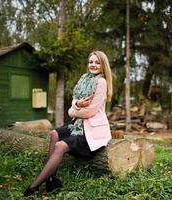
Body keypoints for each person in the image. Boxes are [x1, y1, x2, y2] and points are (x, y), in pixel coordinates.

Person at [23, 51, 113, 196]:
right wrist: (77, 103)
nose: (93, 65)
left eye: (97, 62)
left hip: (91, 130)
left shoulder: (101, 82)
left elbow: (90, 111)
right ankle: (51, 178)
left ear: (103, 66)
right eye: (91, 62)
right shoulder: (84, 79)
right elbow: (74, 100)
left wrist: (73, 111)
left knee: (60, 145)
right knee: (54, 134)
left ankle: (33, 187)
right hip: (78, 124)